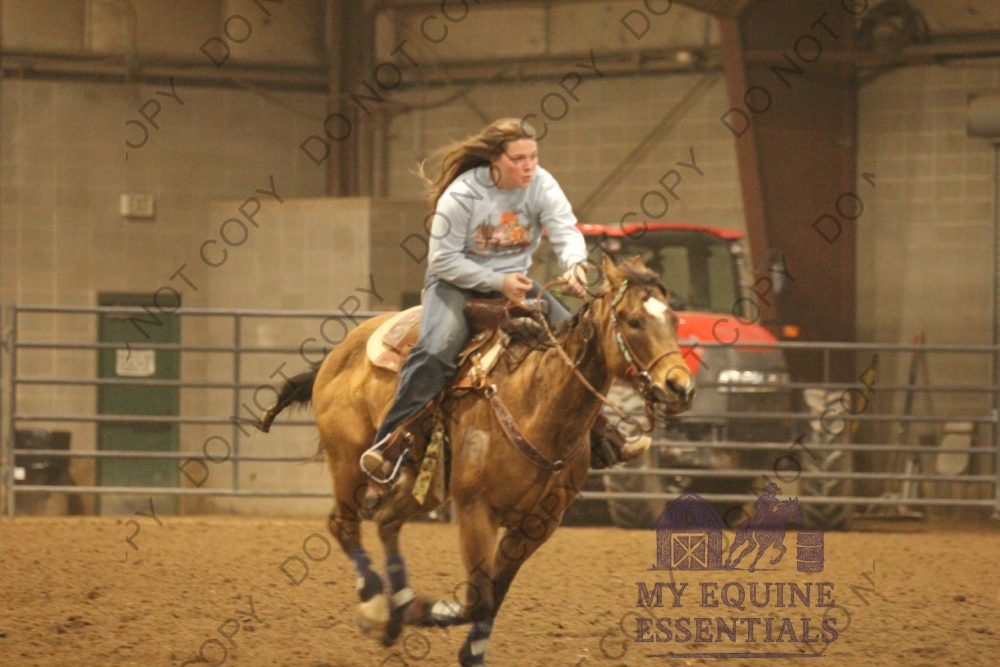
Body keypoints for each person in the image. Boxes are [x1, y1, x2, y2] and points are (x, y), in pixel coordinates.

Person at [360, 118, 640, 482]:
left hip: (515, 283)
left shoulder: (542, 184)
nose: (528, 166)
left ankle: (604, 433)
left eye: (533, 157)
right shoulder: (462, 195)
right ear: (495, 159)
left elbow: (564, 228)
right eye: (518, 159)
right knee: (436, 349)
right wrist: (497, 280)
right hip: (455, 284)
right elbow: (443, 261)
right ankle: (390, 442)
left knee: (576, 342)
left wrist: (573, 265)